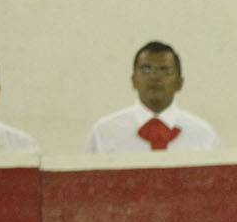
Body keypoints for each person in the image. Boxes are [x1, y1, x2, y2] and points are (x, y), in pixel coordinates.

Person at [84, 41, 220, 153]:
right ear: (133, 80)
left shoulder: (203, 135)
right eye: (146, 69)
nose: (154, 77)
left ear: (179, 83)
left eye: (164, 70)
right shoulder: (104, 133)